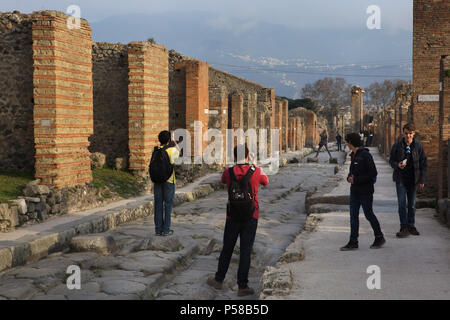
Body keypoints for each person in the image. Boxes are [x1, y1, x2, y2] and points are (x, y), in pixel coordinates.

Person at [207, 144, 269, 297]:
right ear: (248, 155)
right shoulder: (256, 171)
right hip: (251, 216)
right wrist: (255, 165)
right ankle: (242, 286)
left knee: (227, 248)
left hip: (232, 216)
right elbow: (266, 181)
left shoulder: (228, 172)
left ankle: (218, 279)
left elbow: (222, 180)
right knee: (246, 251)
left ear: (234, 157)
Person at [340, 132, 385, 251]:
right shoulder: (353, 155)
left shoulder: (365, 155)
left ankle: (379, 237)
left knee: (368, 214)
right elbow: (352, 172)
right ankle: (353, 241)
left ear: (351, 142)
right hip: (354, 191)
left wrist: (357, 179)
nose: (347, 144)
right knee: (353, 216)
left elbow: (373, 173)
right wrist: (349, 177)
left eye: (347, 142)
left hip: (365, 191)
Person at [389, 123, 427, 238]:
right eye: (406, 133)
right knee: (401, 205)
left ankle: (411, 225)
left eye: (410, 133)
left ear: (414, 133)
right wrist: (397, 165)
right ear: (403, 133)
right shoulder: (397, 146)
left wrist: (422, 179)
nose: (408, 136)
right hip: (401, 179)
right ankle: (403, 227)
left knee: (412, 205)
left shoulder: (418, 147)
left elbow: (423, 164)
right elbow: (391, 161)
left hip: (413, 180)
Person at [151, 130, 180, 236]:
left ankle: (158, 230)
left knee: (158, 205)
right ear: (169, 140)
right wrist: (174, 140)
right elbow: (179, 152)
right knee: (168, 205)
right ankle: (166, 230)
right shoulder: (171, 150)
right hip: (169, 181)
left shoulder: (156, 150)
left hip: (157, 181)